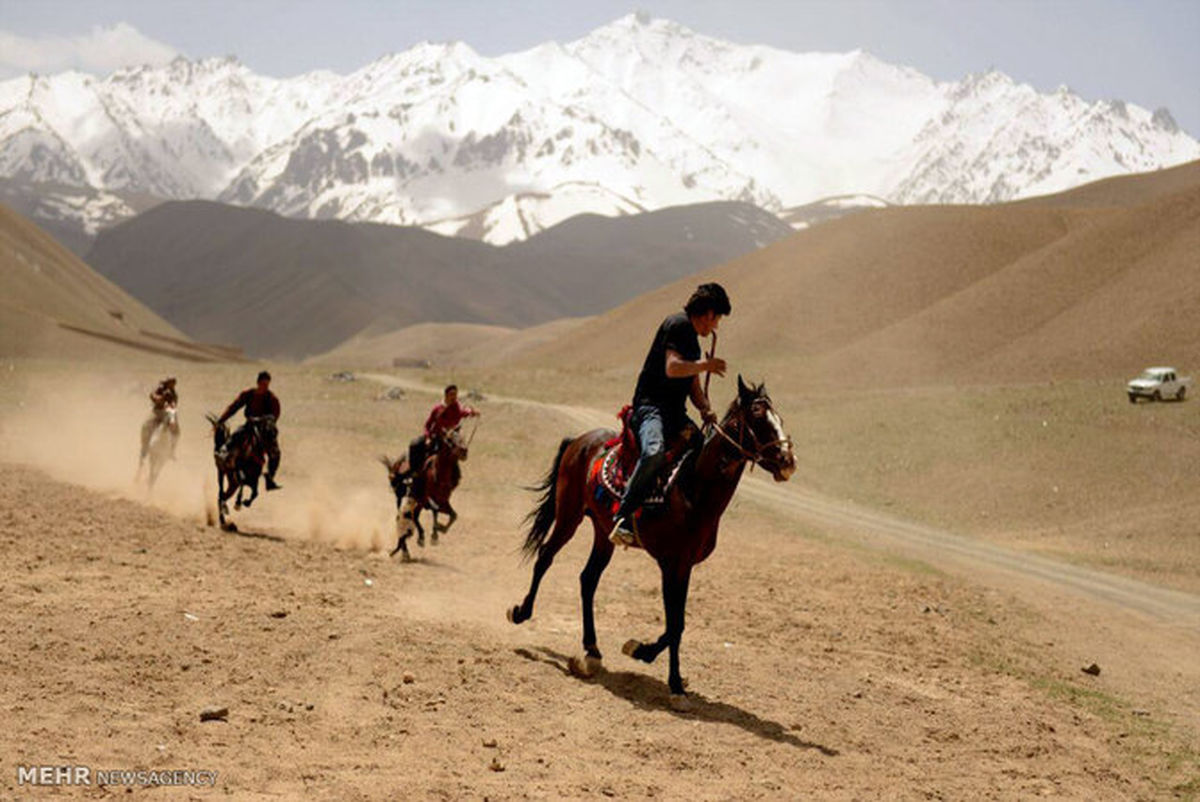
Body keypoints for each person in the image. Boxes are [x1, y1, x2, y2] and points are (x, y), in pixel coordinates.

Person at [610, 283, 730, 546]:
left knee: (702, 449)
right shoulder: (677, 325)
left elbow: (692, 385)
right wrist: (706, 365)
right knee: (654, 453)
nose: (716, 326)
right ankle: (623, 517)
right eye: (717, 319)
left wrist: (705, 408)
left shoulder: (693, 341)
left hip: (675, 413)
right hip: (650, 408)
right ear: (709, 313)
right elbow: (673, 368)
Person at [400, 384, 480, 492]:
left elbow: (462, 413)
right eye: (452, 394)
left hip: (449, 438)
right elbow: (428, 425)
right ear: (446, 395)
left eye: (455, 394)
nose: (454, 397)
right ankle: (414, 473)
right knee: (414, 444)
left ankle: (454, 478)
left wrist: (472, 413)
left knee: (458, 452)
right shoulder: (438, 409)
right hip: (435, 437)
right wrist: (428, 437)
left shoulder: (456, 407)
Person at [218, 370, 283, 490]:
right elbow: (234, 407)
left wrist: (264, 420)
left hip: (264, 429)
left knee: (275, 453)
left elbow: (275, 416)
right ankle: (223, 454)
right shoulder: (248, 394)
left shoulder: (272, 398)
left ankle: (270, 479)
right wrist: (221, 420)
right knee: (236, 435)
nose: (265, 386)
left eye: (267, 384)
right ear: (258, 383)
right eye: (263, 384)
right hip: (249, 425)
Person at [139, 376, 179, 461]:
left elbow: (174, 403)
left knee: (176, 431)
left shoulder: (173, 393)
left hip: (168, 413)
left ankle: (172, 450)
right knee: (147, 425)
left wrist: (170, 407)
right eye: (171, 383)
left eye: (173, 384)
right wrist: (160, 399)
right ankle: (144, 447)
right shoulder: (160, 389)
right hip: (157, 412)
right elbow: (152, 396)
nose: (173, 385)